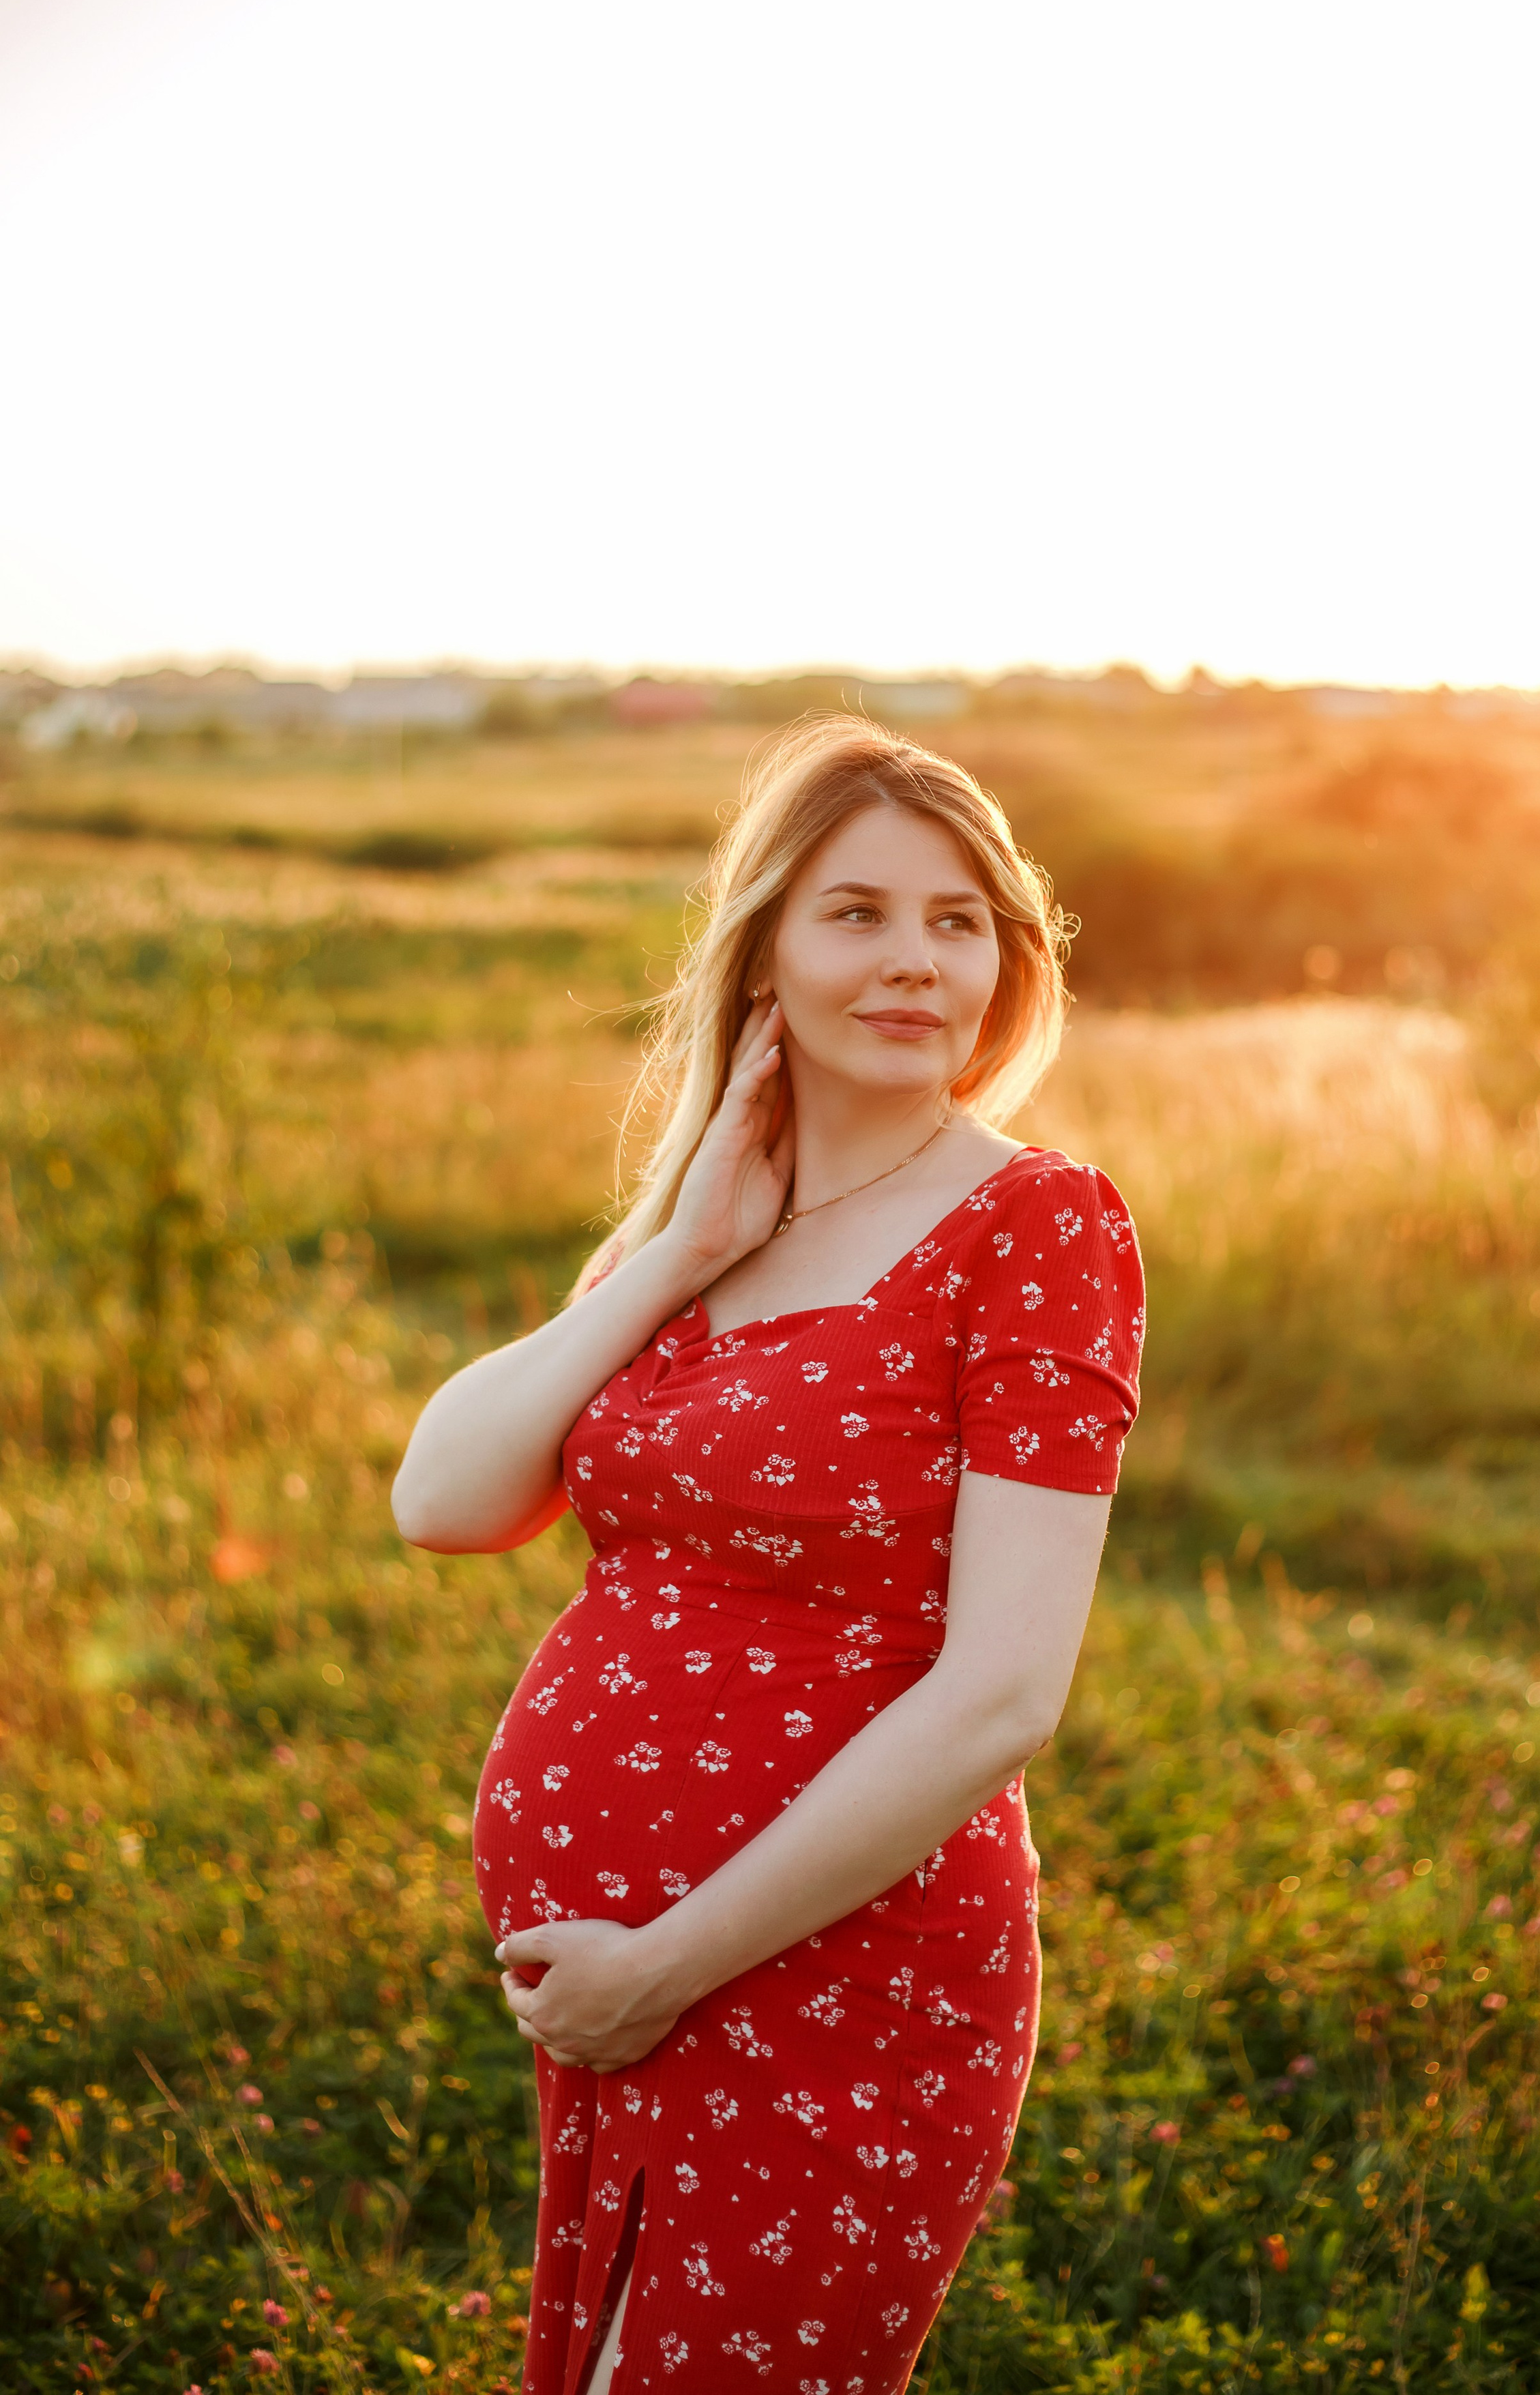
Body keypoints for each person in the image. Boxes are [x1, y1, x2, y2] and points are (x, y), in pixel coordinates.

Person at [393, 716, 1145, 2395]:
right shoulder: (706, 1221)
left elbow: (1003, 1694)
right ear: (765, 957)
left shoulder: (1035, 1228)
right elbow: (440, 1500)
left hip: (838, 1967)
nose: (913, 963)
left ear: (1006, 963)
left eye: (958, 922)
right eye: (857, 913)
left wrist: (661, 1965)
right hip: (614, 1978)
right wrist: (678, 1253)